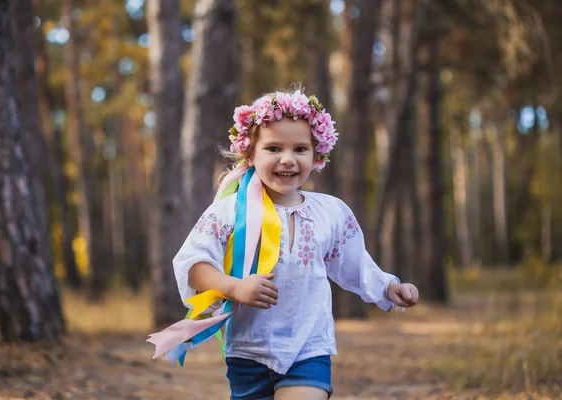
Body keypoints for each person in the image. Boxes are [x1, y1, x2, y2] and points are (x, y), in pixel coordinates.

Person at [147, 89, 420, 400]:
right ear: (250, 154)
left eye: (300, 149)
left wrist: (387, 287)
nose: (288, 159)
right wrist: (234, 287)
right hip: (248, 351)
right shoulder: (229, 211)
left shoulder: (330, 212)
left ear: (317, 154)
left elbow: (354, 263)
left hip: (308, 347)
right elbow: (193, 264)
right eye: (273, 148)